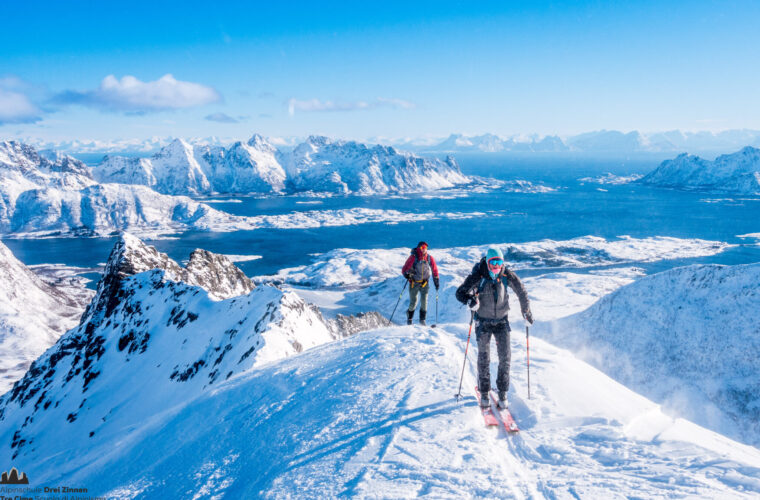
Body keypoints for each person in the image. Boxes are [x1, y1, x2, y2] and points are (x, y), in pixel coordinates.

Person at [455, 246, 533, 409]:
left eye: (499, 262)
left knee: (505, 357)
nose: (497, 267)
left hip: (502, 321)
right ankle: (484, 393)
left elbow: (521, 291)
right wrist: (470, 301)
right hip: (482, 321)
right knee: (484, 358)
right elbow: (460, 293)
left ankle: (503, 393)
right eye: (493, 263)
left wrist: (526, 312)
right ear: (487, 262)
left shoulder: (506, 274)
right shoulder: (479, 275)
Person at [401, 241, 440, 325]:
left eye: (426, 248)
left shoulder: (429, 258)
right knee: (413, 302)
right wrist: (406, 275)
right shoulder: (413, 257)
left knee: (424, 301)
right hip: (414, 283)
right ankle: (410, 317)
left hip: (425, 283)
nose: (424, 249)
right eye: (422, 248)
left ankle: (422, 320)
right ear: (419, 248)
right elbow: (404, 269)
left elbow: (434, 269)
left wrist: (436, 280)